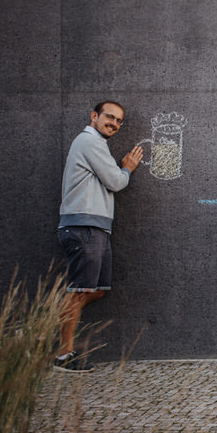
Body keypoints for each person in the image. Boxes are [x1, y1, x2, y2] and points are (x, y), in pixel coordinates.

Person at [55, 101, 144, 372]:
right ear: (94, 116)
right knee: (80, 290)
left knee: (95, 290)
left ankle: (51, 320)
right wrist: (127, 167)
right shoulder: (89, 142)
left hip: (96, 227)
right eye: (109, 117)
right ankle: (63, 354)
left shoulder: (95, 145)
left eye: (119, 120)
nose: (114, 124)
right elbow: (116, 182)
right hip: (84, 226)